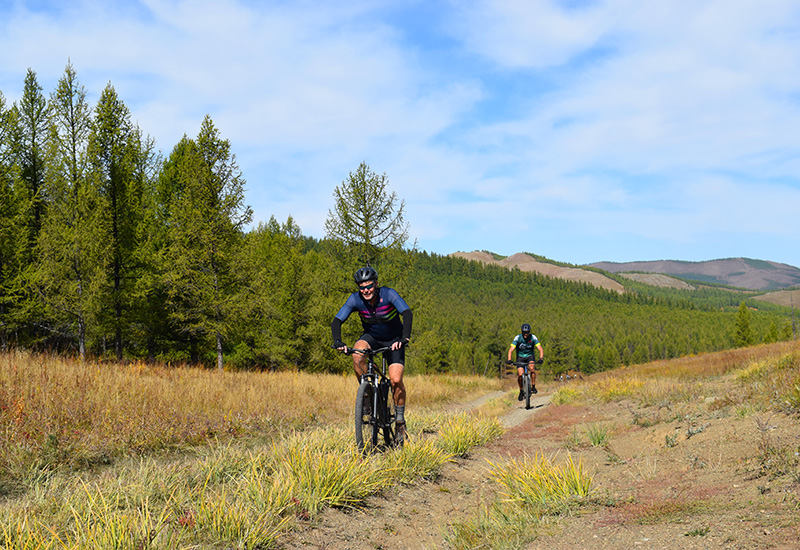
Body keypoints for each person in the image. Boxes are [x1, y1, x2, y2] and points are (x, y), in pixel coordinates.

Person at [332, 266, 412, 443]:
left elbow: (406, 313)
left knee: (396, 380)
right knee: (357, 353)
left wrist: (404, 338)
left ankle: (400, 422)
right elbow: (337, 320)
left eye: (369, 286)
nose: (366, 290)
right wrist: (338, 341)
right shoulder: (355, 299)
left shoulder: (388, 294)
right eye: (362, 287)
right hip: (372, 338)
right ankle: (367, 395)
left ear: (375, 284)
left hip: (394, 340)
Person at [507, 323, 544, 401]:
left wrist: (541, 358)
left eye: (527, 332)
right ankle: (521, 391)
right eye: (524, 332)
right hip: (520, 358)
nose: (525, 334)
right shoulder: (517, 338)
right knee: (520, 375)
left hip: (530, 356)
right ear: (522, 332)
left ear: (529, 332)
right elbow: (510, 350)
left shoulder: (533, 337)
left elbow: (540, 349)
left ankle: (533, 386)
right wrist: (509, 360)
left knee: (532, 368)